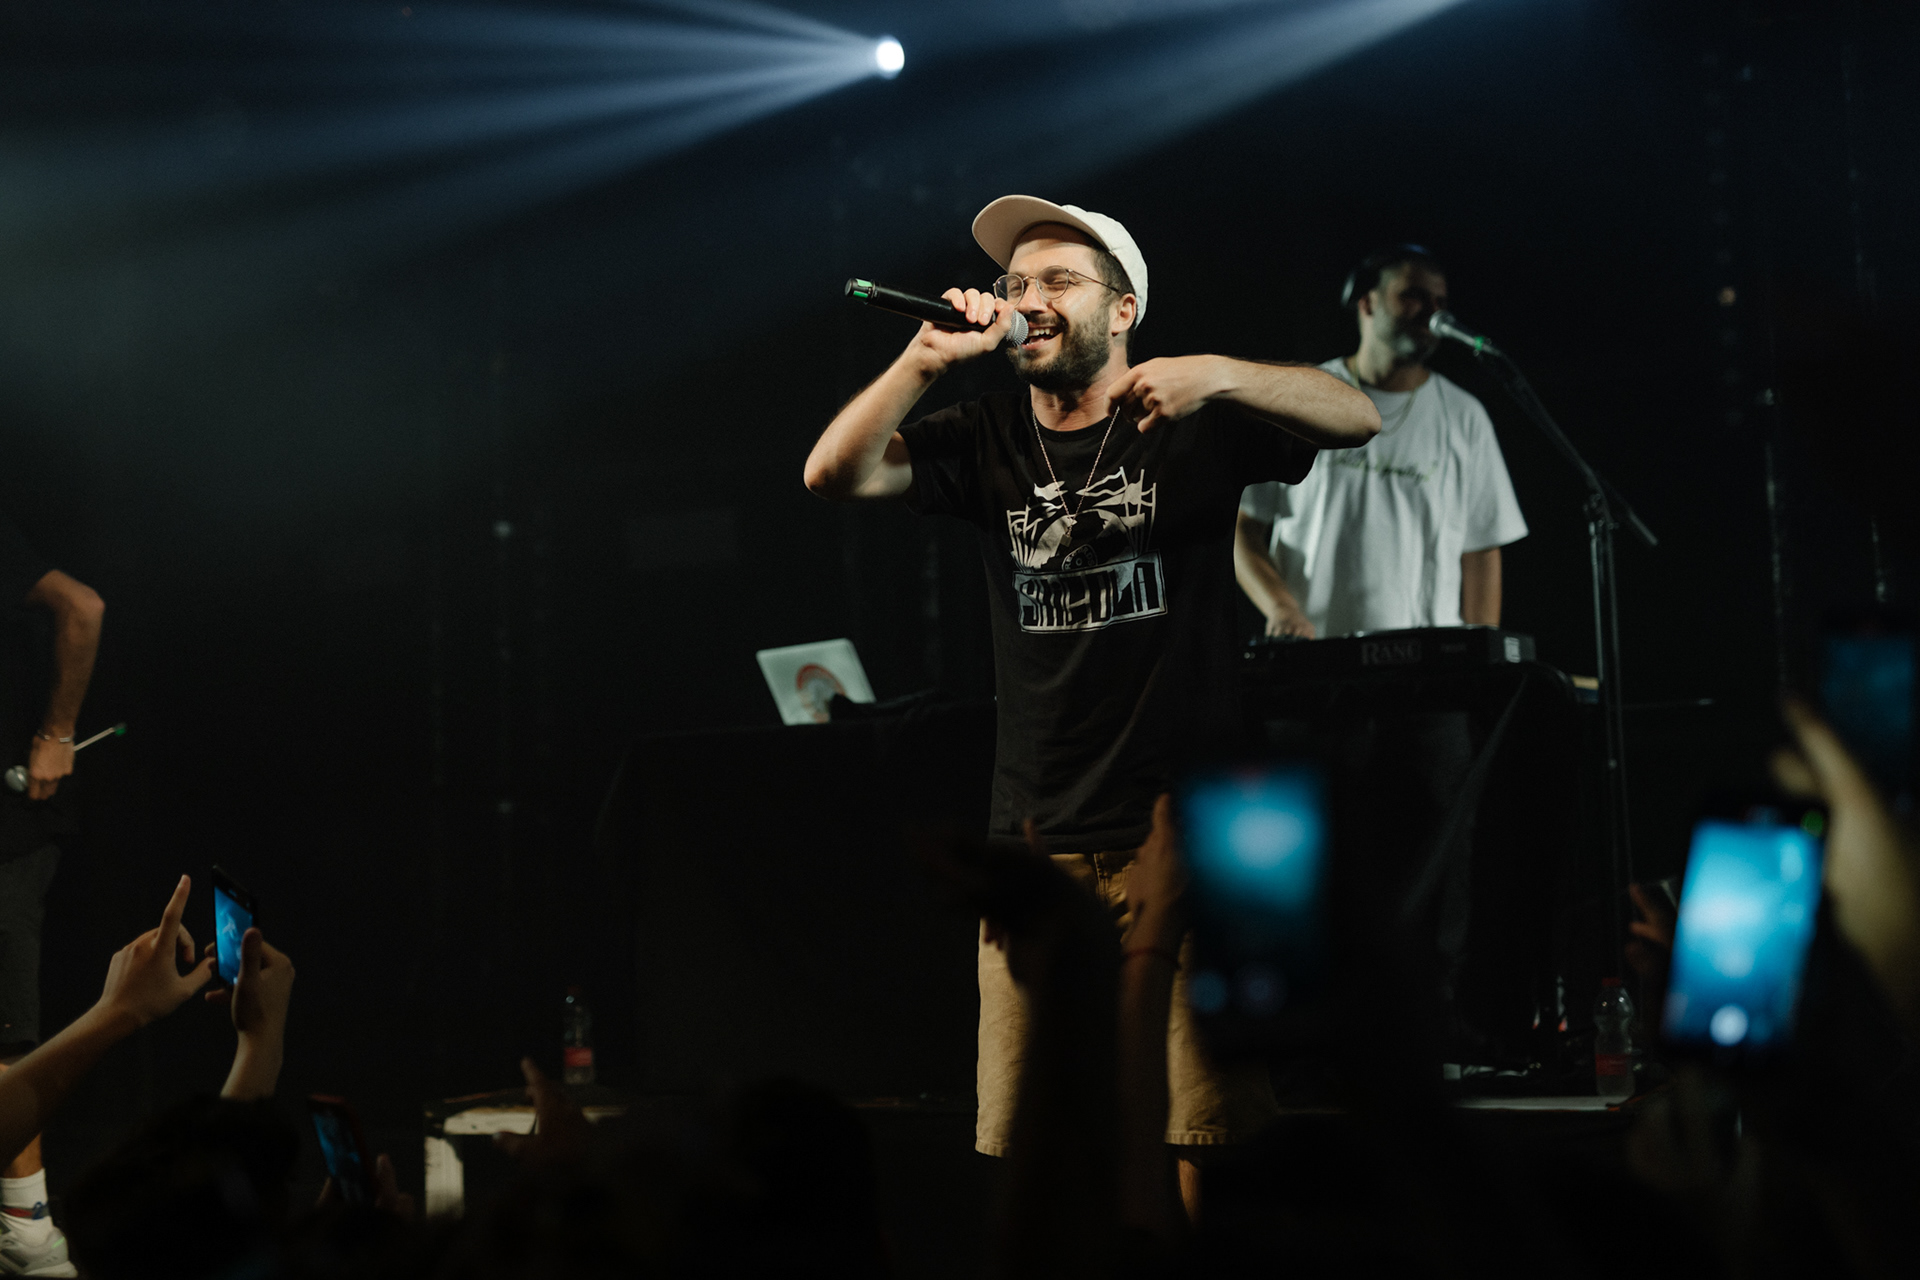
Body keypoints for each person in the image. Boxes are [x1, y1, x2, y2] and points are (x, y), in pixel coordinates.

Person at [803, 195, 1377, 1199]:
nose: (1029, 298)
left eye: (1059, 281)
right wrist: (923, 362)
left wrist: (1219, 374)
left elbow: (1357, 415)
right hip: (1039, 839)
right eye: (1017, 283)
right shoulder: (985, 434)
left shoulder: (1193, 417)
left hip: (1195, 832)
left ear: (1123, 310)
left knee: (1209, 1137)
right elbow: (832, 474)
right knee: (1036, 1149)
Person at [1234, 244, 1527, 640]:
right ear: (1367, 302)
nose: (1432, 312)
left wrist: (1481, 657)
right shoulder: (1301, 397)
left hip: (1427, 663)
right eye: (1413, 295)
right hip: (1315, 653)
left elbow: (1482, 550)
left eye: (1440, 302)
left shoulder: (1465, 416)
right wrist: (1281, 608)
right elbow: (1244, 528)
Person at [0, 515, 104, 1277]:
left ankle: (25, 1225)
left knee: (4, 1024)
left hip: (8, 823)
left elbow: (83, 606)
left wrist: (58, 733)